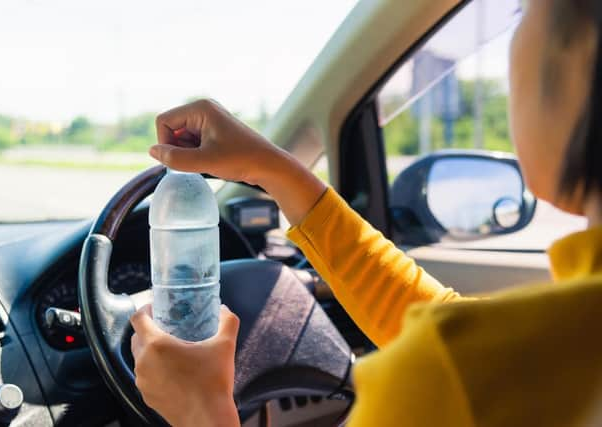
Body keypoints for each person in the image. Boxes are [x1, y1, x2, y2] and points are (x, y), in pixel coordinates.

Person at [129, 0, 602, 425]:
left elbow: (465, 353)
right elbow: (453, 328)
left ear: (584, 56)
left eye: (522, 13)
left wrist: (201, 410)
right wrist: (273, 169)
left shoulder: (458, 377)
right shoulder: (536, 353)